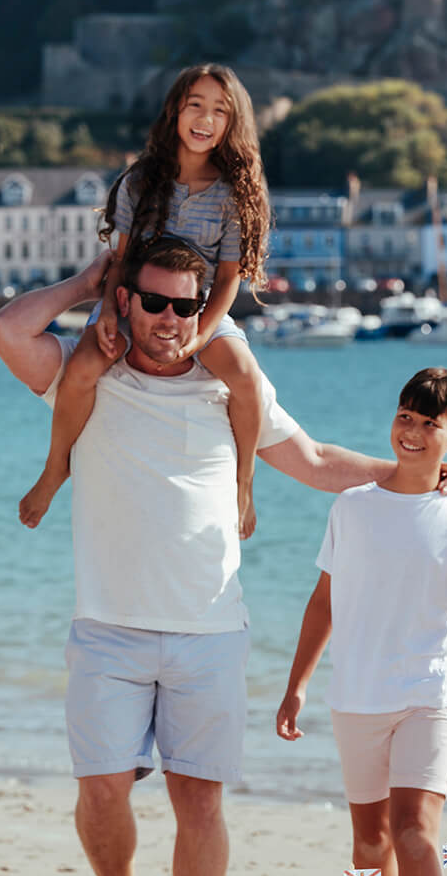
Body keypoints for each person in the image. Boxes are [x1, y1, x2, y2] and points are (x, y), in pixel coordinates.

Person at [0, 235, 447, 876]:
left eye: (185, 305)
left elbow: (313, 460)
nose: (170, 319)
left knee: (200, 802)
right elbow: (7, 331)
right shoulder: (89, 377)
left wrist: (413, 473)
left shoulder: (227, 391)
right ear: (128, 301)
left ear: (202, 310)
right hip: (108, 627)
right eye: (154, 301)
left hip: (209, 631)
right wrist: (85, 280)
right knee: (101, 793)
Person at [274, 368, 447, 876]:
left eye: (429, 424)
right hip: (355, 698)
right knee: (366, 842)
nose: (411, 432)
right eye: (404, 418)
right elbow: (323, 604)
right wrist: (297, 684)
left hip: (430, 695)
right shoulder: (351, 508)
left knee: (415, 832)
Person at [19, 65, 273, 539]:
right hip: (131, 300)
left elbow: (228, 278)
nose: (205, 118)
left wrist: (199, 333)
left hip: (196, 311)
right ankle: (56, 468)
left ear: (233, 122)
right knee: (81, 370)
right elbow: (120, 259)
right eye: (195, 104)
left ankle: (244, 486)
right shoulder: (140, 181)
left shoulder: (236, 194)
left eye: (220, 110)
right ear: (175, 110)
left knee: (244, 376)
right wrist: (112, 312)